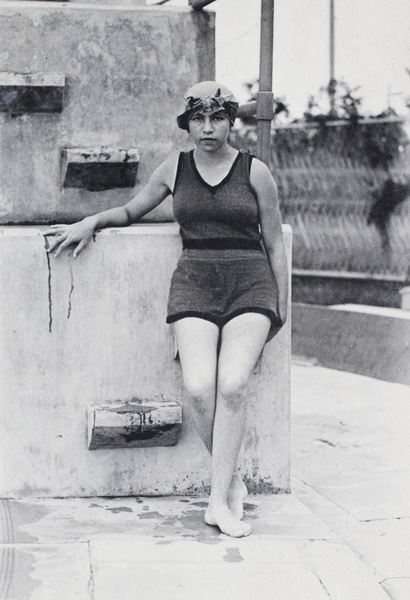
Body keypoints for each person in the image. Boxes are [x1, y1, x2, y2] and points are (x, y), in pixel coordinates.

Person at [45, 81, 288, 538]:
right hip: (194, 280)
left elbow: (274, 242)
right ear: (187, 123)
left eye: (217, 118)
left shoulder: (256, 172)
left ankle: (217, 502)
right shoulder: (174, 168)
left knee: (232, 385)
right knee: (199, 389)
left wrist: (281, 304)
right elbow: (131, 211)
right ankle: (230, 481)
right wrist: (91, 221)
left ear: (230, 121)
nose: (207, 128)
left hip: (250, 283)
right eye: (198, 118)